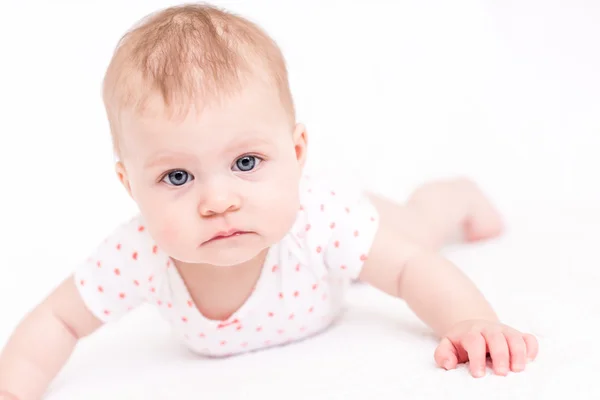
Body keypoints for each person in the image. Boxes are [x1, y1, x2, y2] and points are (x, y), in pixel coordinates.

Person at [0, 3, 538, 399]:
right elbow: (58, 319)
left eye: (246, 163)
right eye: (178, 175)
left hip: (343, 235)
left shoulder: (323, 217)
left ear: (296, 151)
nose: (218, 201)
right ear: (130, 185)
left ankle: (457, 194)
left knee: (416, 228)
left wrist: (468, 321)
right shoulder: (140, 253)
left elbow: (410, 270)